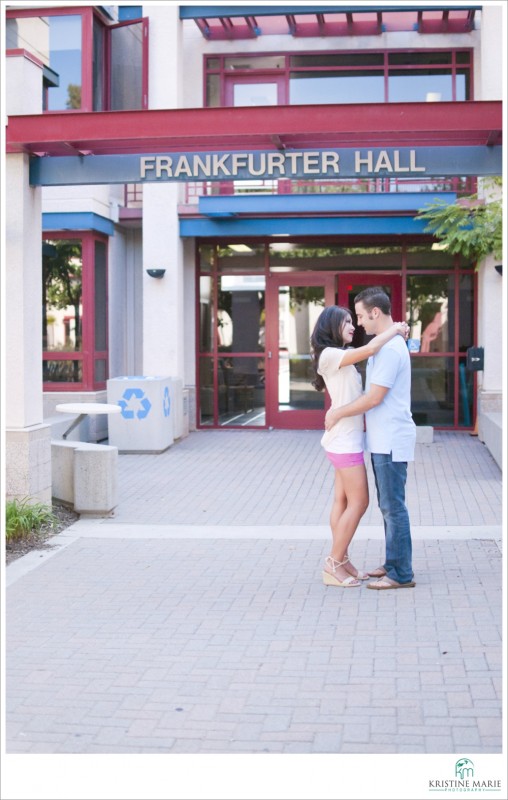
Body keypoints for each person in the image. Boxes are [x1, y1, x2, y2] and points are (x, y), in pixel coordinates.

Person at [324, 287, 416, 590]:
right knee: (387, 506)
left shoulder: (389, 349)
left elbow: (374, 398)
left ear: (375, 312)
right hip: (378, 440)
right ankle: (392, 563)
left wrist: (337, 413)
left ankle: (400, 573)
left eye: (361, 316)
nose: (359, 323)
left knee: (393, 507)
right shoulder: (381, 347)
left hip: (389, 439)